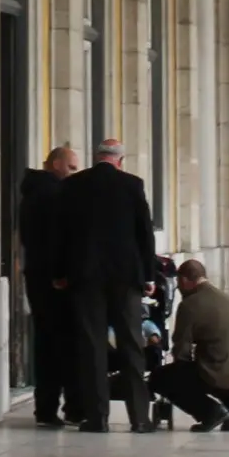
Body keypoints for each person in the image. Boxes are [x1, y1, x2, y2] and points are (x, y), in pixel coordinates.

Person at [53, 139, 157, 434]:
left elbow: (61, 233)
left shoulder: (75, 185)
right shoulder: (132, 184)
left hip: (85, 276)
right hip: (126, 276)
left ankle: (97, 418)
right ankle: (140, 418)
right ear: (120, 161)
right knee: (131, 344)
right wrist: (148, 275)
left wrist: (61, 272)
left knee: (92, 345)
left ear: (96, 157)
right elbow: (144, 233)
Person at [149, 260, 229, 433]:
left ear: (184, 280)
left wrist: (178, 376)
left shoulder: (190, 305)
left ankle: (211, 412)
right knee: (219, 361)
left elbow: (181, 352)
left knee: (160, 378)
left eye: (179, 284)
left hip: (222, 374)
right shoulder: (225, 298)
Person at [18, 146, 83, 428]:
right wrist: (63, 273)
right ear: (56, 164)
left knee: (48, 343)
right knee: (61, 345)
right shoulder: (53, 195)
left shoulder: (35, 193)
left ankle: (48, 408)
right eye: (71, 168)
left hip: (38, 277)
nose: (74, 174)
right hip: (53, 281)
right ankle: (62, 407)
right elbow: (59, 241)